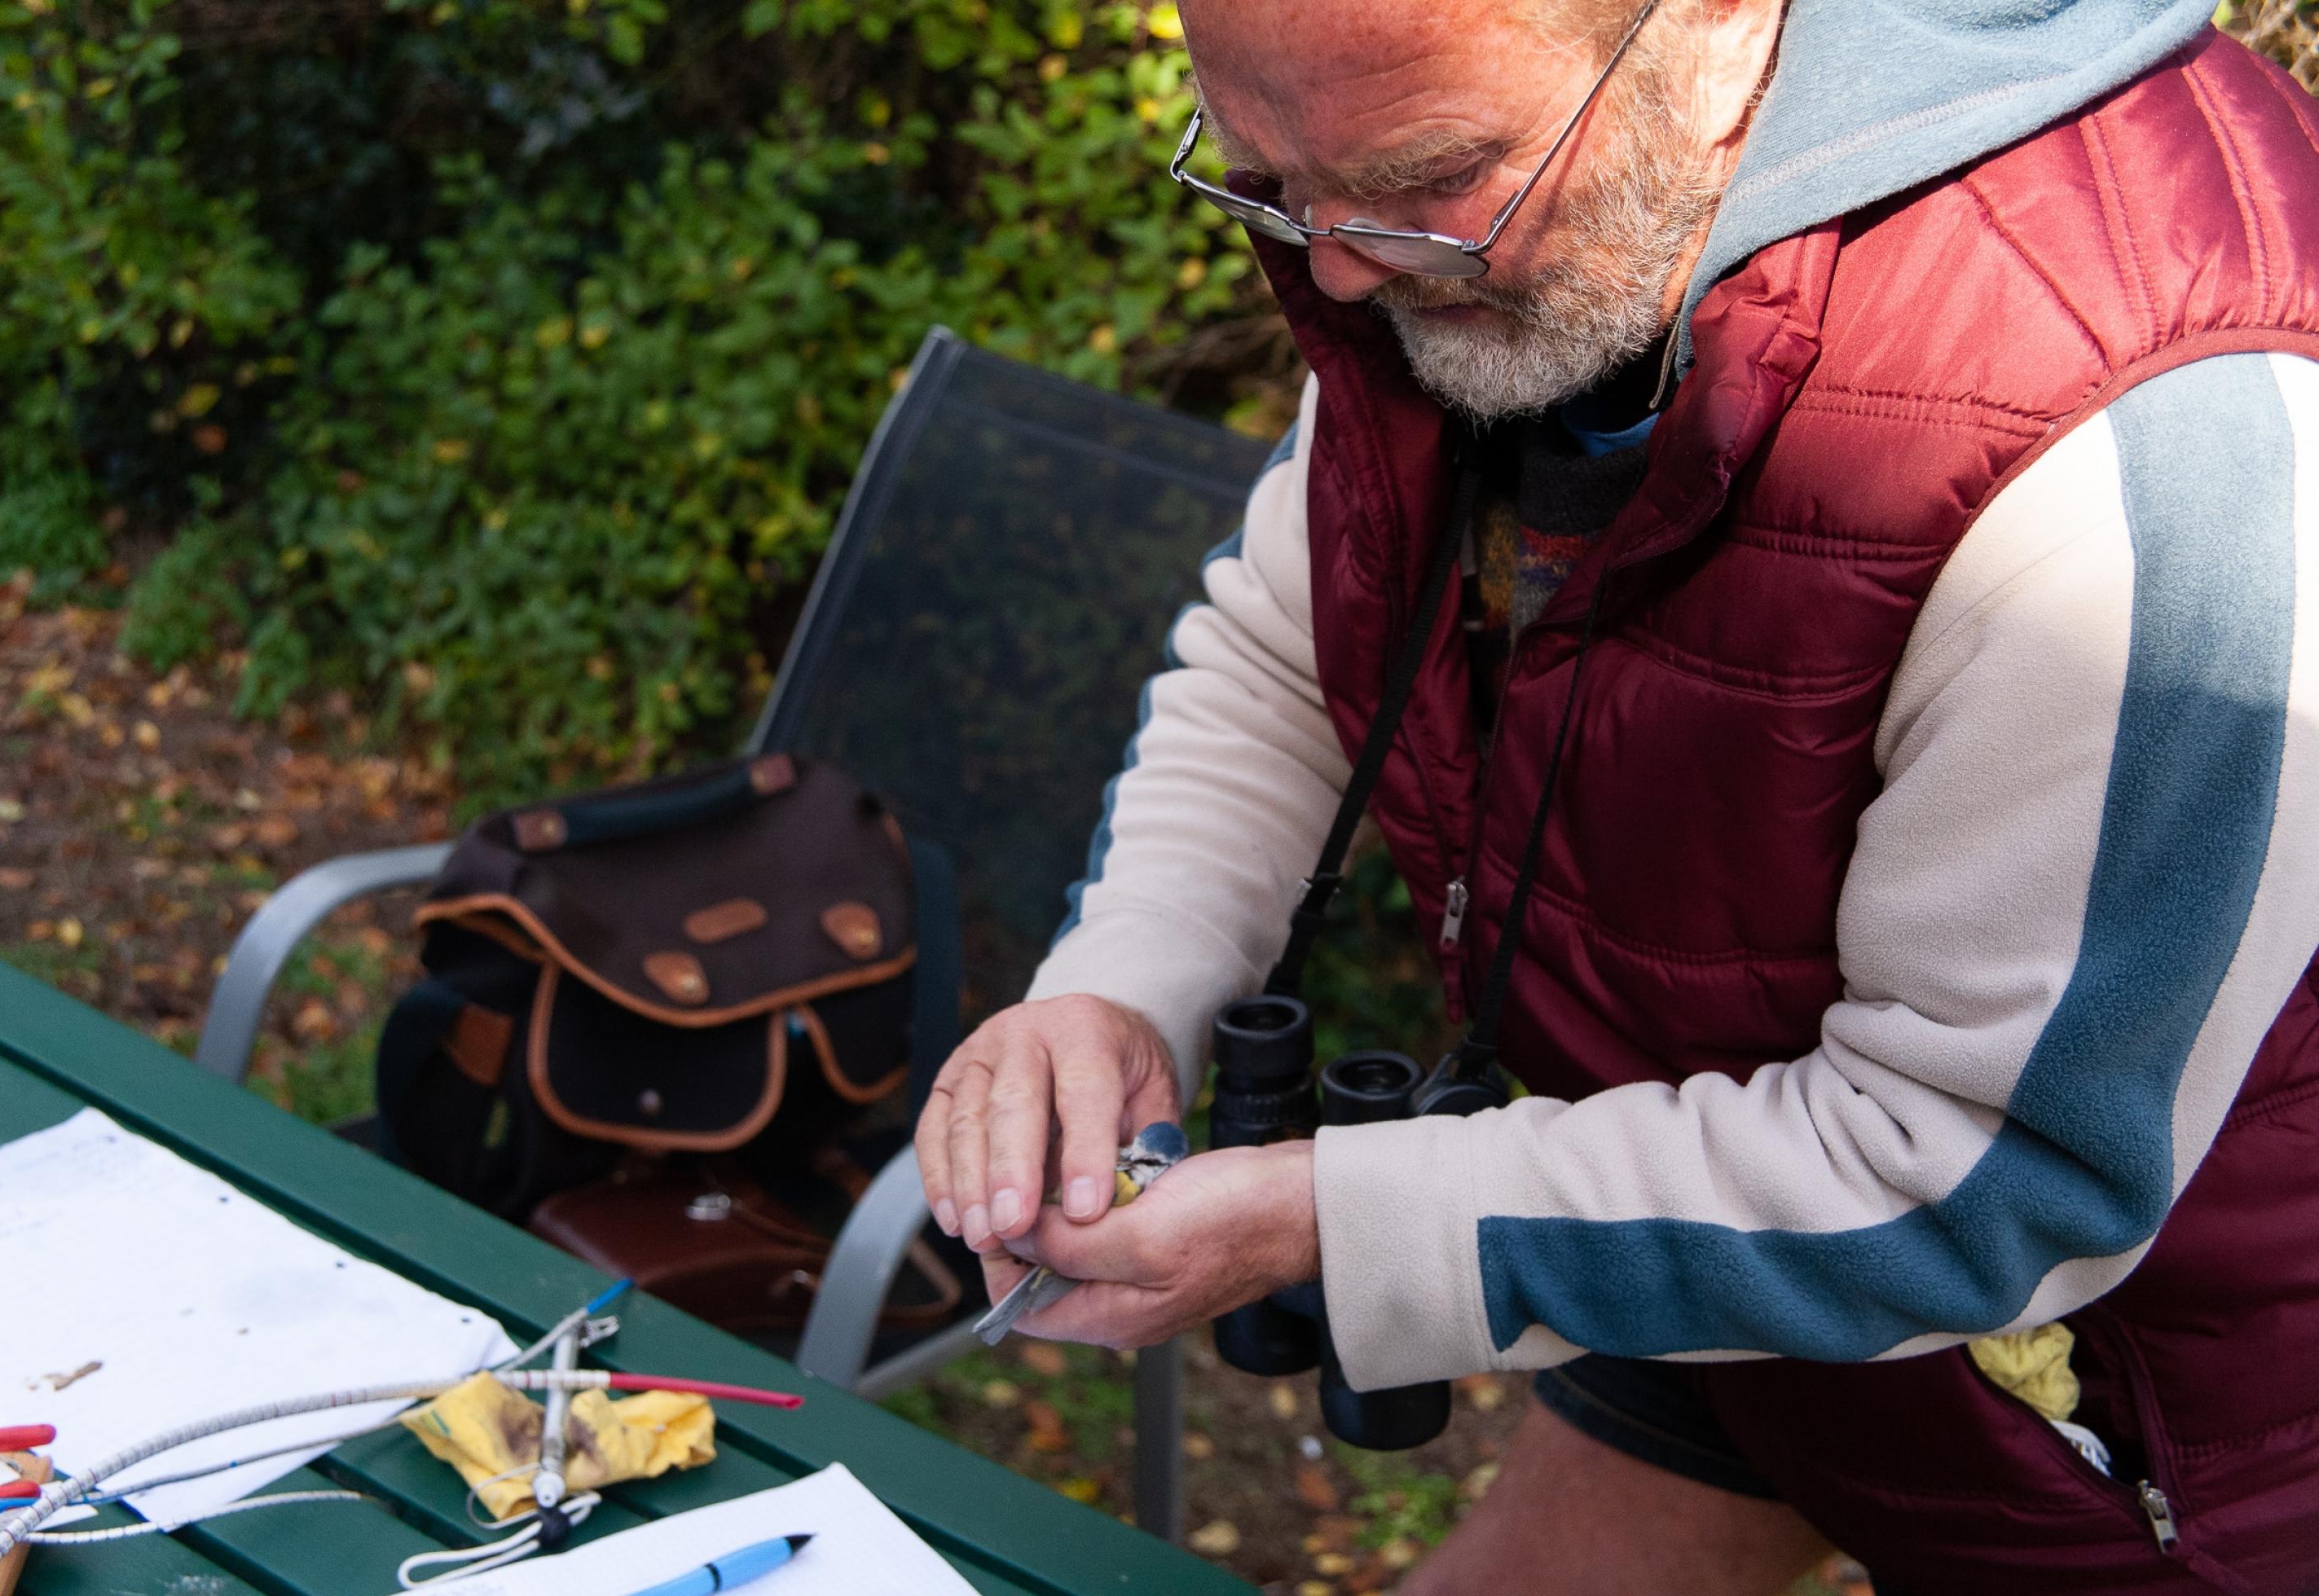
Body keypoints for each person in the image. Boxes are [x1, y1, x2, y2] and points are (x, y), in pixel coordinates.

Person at [914, 0, 2319, 1586]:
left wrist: (1329, 1215)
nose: (1333, 273)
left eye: (1422, 174)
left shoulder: (2145, 437)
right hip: (1735, 1241)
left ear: (1712, 24)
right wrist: (1128, 981)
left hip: (2163, 1420)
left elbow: (1980, 1179)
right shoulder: (1477, 229)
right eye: (1263, 185)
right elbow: (1293, 630)